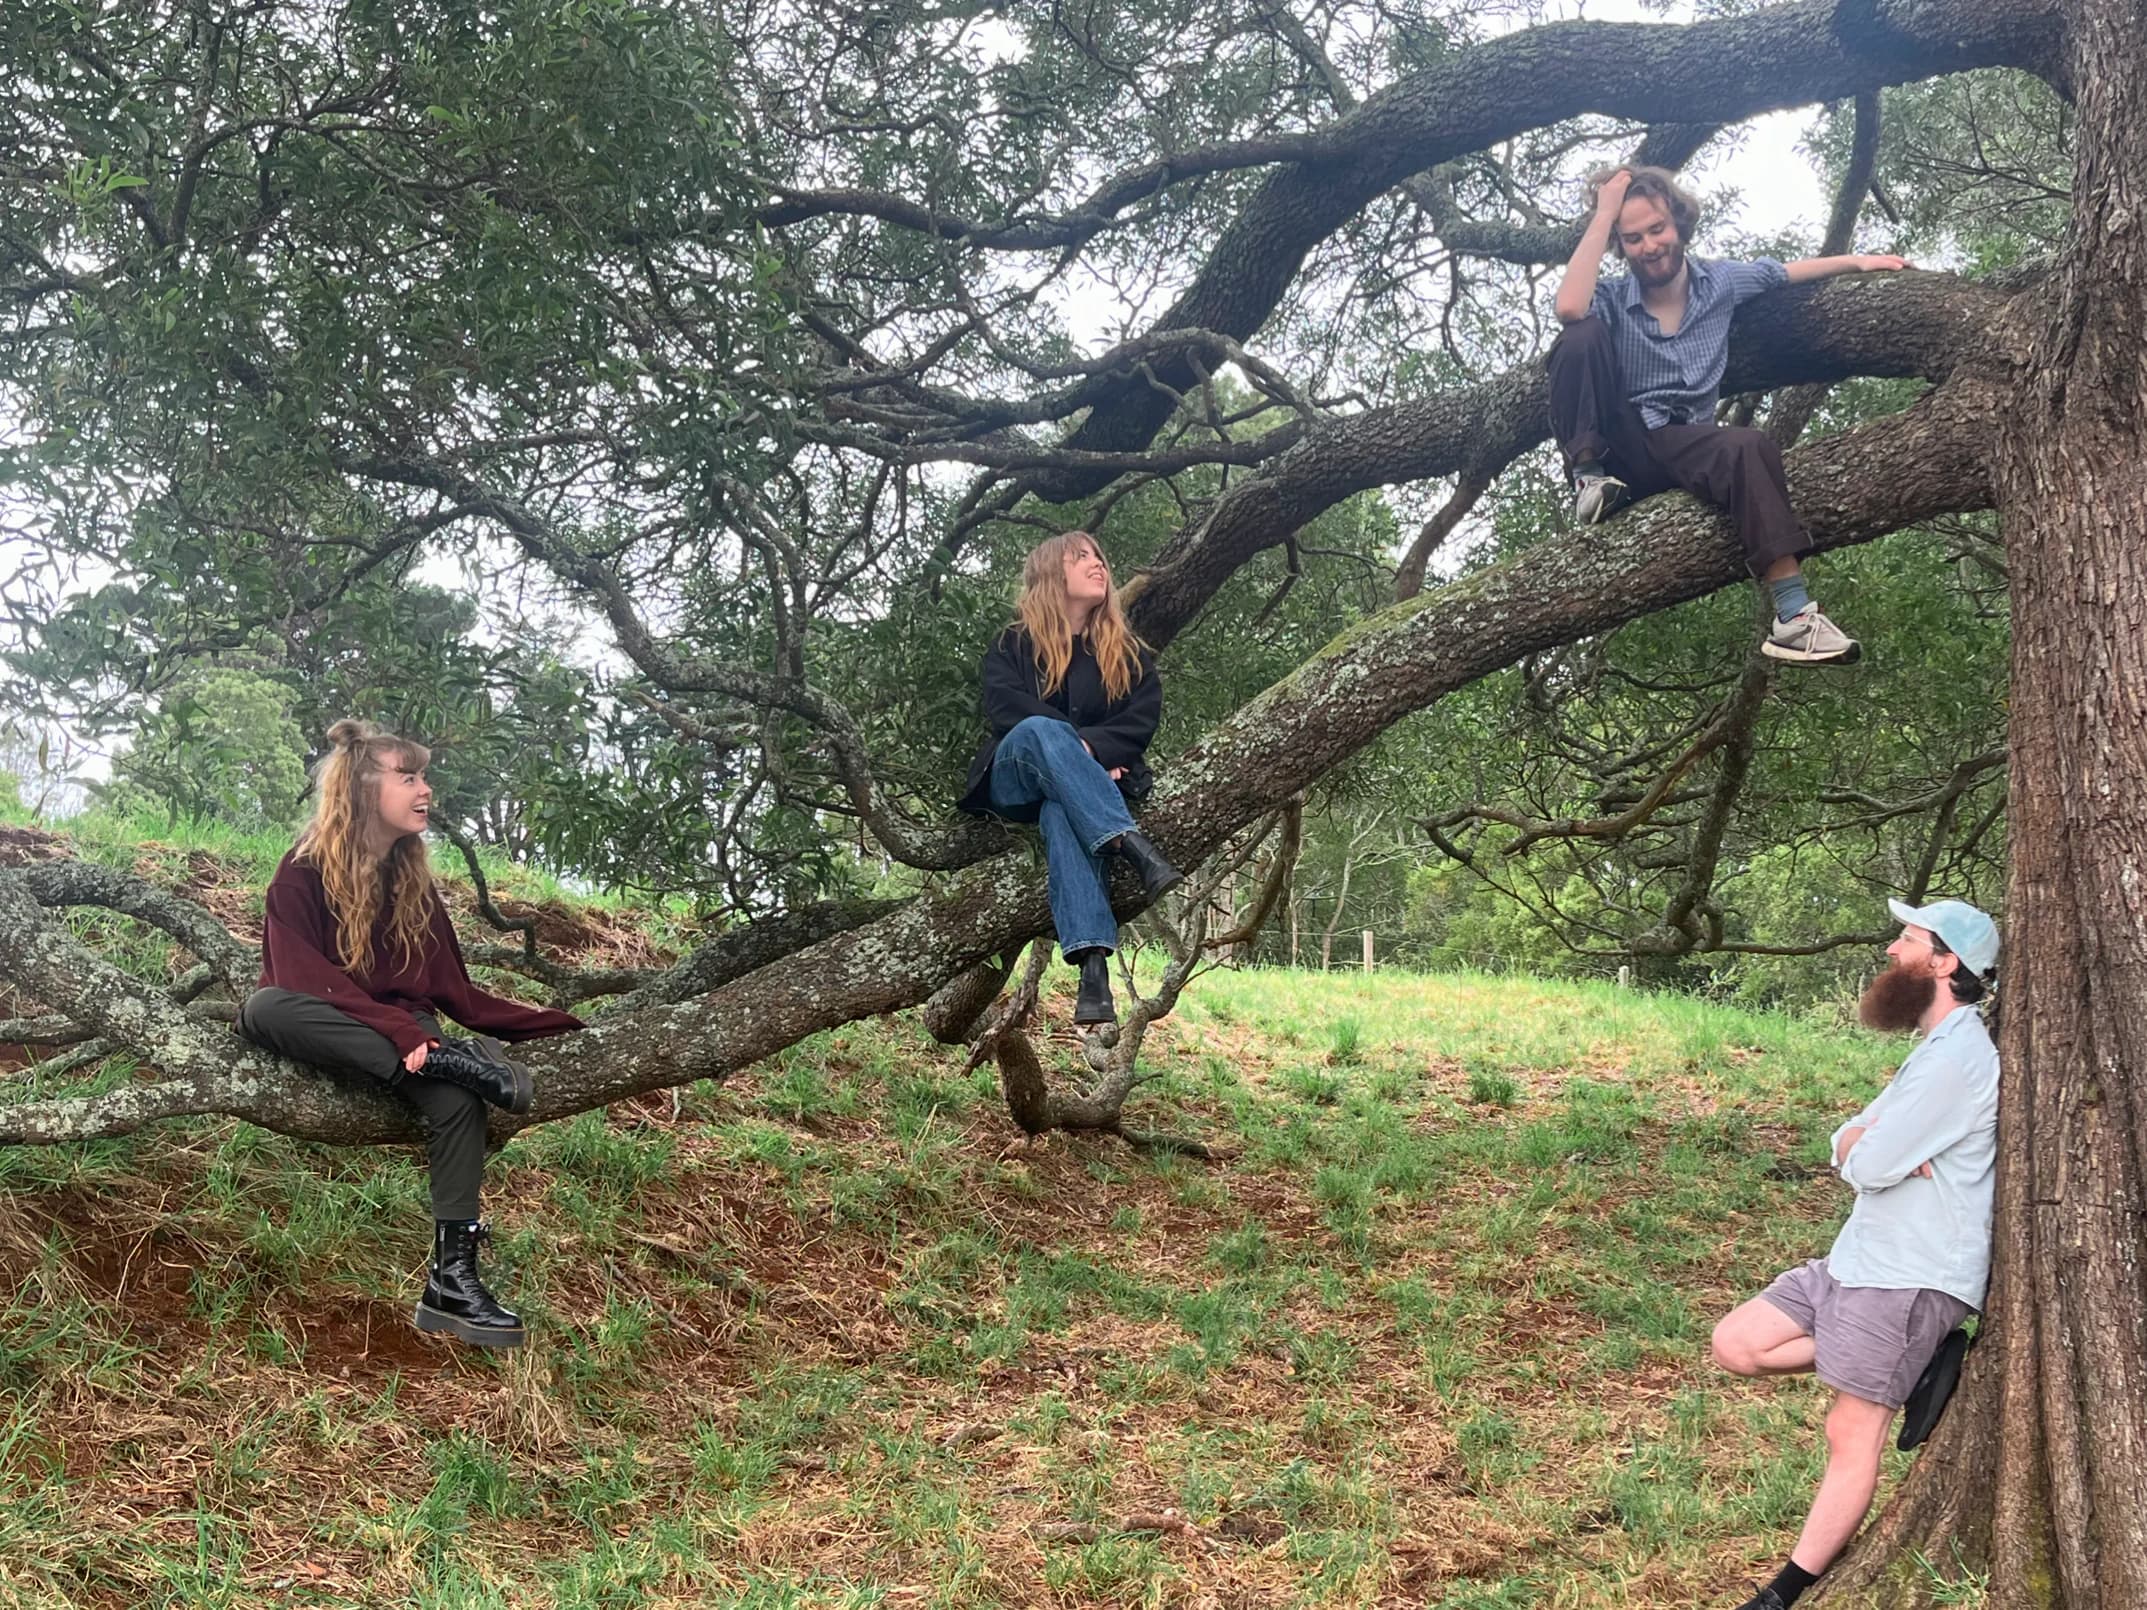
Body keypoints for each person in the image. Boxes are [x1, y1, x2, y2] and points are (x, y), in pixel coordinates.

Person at [236, 720, 584, 1349]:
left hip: (406, 1038)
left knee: (457, 1104)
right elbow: (301, 977)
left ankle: (452, 1282)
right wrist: (399, 1030)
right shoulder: (301, 871)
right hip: (327, 1023)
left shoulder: (413, 882)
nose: (426, 790)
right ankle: (450, 1062)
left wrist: (557, 1024)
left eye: (424, 777)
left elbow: (456, 993)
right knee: (264, 1006)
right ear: (362, 788)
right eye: (409, 777)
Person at [1710, 898, 2001, 1610]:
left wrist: (1867, 1150)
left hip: (1909, 1274)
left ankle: (1781, 1594)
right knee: (1737, 1343)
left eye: (1907, 938)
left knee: (1849, 1430)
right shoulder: (1931, 1050)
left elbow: (1867, 1161)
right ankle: (1916, 1363)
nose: (1892, 950)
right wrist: (1863, 1146)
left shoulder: (1958, 1060)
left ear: (1946, 961)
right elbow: (1849, 1140)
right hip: (1858, 1259)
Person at [1550, 164, 1912, 667]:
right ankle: (1588, 481)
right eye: (1632, 238)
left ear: (1678, 223)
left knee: (1749, 446)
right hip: (1621, 447)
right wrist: (1604, 211)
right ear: (1620, 244)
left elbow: (1783, 272)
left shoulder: (1720, 282)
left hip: (1684, 445)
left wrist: (1858, 261)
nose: (1649, 246)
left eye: (1657, 229)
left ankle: (1793, 618)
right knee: (1579, 335)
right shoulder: (1610, 297)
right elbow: (1569, 306)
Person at [957, 531, 1180, 1026]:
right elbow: (1006, 708)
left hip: (1075, 795)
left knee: (1062, 814)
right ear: (1051, 574)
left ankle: (1093, 970)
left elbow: (1141, 719)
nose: (1098, 564)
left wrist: (1091, 751)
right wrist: (1085, 751)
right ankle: (1129, 842)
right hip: (1016, 775)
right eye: (1081, 558)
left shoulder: (1126, 653)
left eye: (1099, 556)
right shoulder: (1013, 643)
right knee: (1041, 729)